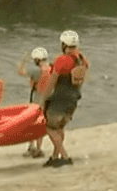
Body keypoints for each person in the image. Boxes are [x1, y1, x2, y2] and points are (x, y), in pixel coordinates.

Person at [37, 30, 90, 167]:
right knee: (60, 127)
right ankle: (55, 156)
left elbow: (52, 81)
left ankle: (65, 156)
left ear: (63, 44)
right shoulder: (82, 60)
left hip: (60, 98)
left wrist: (43, 100)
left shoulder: (62, 60)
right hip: (73, 98)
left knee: (49, 127)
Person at [17, 47, 51, 158]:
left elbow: (20, 71)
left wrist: (24, 60)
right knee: (42, 123)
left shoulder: (36, 70)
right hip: (48, 98)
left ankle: (32, 147)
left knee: (32, 122)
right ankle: (39, 148)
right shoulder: (50, 68)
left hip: (37, 98)